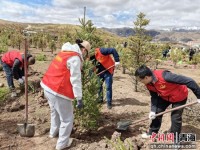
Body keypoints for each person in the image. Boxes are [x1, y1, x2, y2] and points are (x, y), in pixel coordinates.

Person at [40, 39, 91, 150]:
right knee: (67, 119)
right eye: (86, 53)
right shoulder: (75, 58)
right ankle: (62, 144)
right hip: (58, 91)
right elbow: (75, 79)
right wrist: (79, 98)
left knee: (54, 112)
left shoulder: (64, 52)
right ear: (83, 50)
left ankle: (53, 134)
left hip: (47, 87)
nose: (86, 56)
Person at [134, 65, 200, 141]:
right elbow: (154, 96)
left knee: (175, 118)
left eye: (141, 80)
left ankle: (176, 140)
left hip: (179, 96)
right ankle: (152, 133)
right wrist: (153, 110)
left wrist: (199, 96)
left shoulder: (166, 76)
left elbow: (189, 81)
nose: (140, 82)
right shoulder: (148, 83)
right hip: (165, 96)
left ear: (146, 77)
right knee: (157, 112)